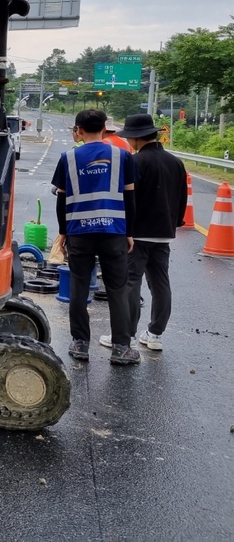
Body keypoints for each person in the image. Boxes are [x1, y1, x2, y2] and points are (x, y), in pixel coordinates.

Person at [52, 109, 140, 364]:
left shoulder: (68, 158)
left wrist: (63, 232)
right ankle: (121, 348)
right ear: (105, 128)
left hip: (80, 232)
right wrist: (129, 232)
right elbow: (130, 199)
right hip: (114, 232)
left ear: (78, 130)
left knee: (79, 286)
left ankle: (80, 344)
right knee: (117, 288)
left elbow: (61, 200)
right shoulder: (123, 156)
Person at [104, 113, 187, 352]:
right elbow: (182, 198)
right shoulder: (176, 162)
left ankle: (124, 335)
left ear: (136, 138)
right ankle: (155, 334)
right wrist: (175, 223)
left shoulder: (136, 162)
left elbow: (127, 199)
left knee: (130, 282)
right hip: (164, 233)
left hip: (136, 234)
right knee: (160, 283)